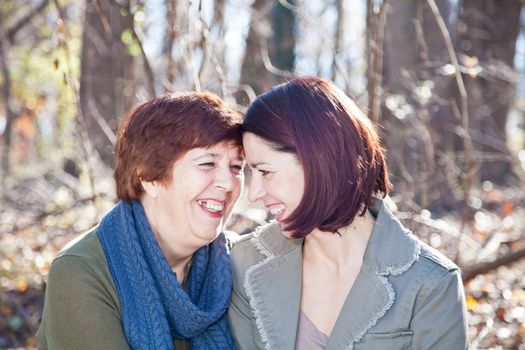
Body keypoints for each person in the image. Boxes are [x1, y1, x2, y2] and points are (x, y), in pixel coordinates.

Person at [228, 77, 468, 350]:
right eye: (251, 173)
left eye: (266, 172)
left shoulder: (431, 284)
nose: (254, 193)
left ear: (317, 160)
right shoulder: (246, 261)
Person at [37, 92, 244, 350]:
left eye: (237, 167)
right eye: (207, 163)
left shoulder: (243, 260)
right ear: (149, 176)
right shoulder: (81, 272)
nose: (228, 183)